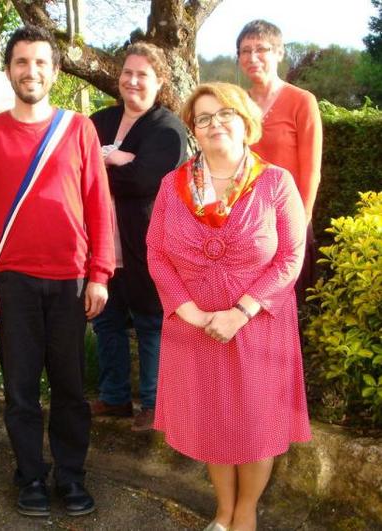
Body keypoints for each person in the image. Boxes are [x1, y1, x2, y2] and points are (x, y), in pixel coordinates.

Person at [0, 25, 114, 518]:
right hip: (11, 284)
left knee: (70, 388)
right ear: (9, 70)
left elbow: (98, 204)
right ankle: (29, 475)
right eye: (22, 62)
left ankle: (70, 477)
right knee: (21, 390)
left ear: (55, 70)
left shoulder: (80, 129)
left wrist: (100, 273)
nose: (31, 71)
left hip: (70, 281)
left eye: (41, 62)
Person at [147, 82, 311, 531]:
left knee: (257, 426)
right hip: (195, 328)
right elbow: (156, 254)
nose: (214, 123)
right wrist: (189, 311)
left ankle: (245, 513)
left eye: (224, 114)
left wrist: (242, 310)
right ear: (193, 132)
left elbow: (290, 257)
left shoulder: (276, 182)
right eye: (203, 118)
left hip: (258, 325)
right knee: (213, 422)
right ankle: (222, 510)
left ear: (245, 122)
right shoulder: (172, 185)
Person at [88, 42, 188, 430]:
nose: (132, 81)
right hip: (102, 243)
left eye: (142, 74)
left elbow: (148, 180)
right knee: (106, 321)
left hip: (148, 243)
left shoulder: (167, 127)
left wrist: (106, 162)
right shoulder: (98, 121)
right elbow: (79, 172)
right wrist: (120, 161)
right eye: (127, 73)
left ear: (159, 80)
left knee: (151, 322)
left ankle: (154, 403)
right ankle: (114, 398)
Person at [236, 19, 322, 302]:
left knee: (284, 305)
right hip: (243, 223)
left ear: (279, 53)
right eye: (245, 50)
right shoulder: (236, 104)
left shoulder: (302, 101)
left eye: (262, 49)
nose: (253, 57)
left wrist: (300, 225)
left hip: (287, 220)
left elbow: (311, 172)